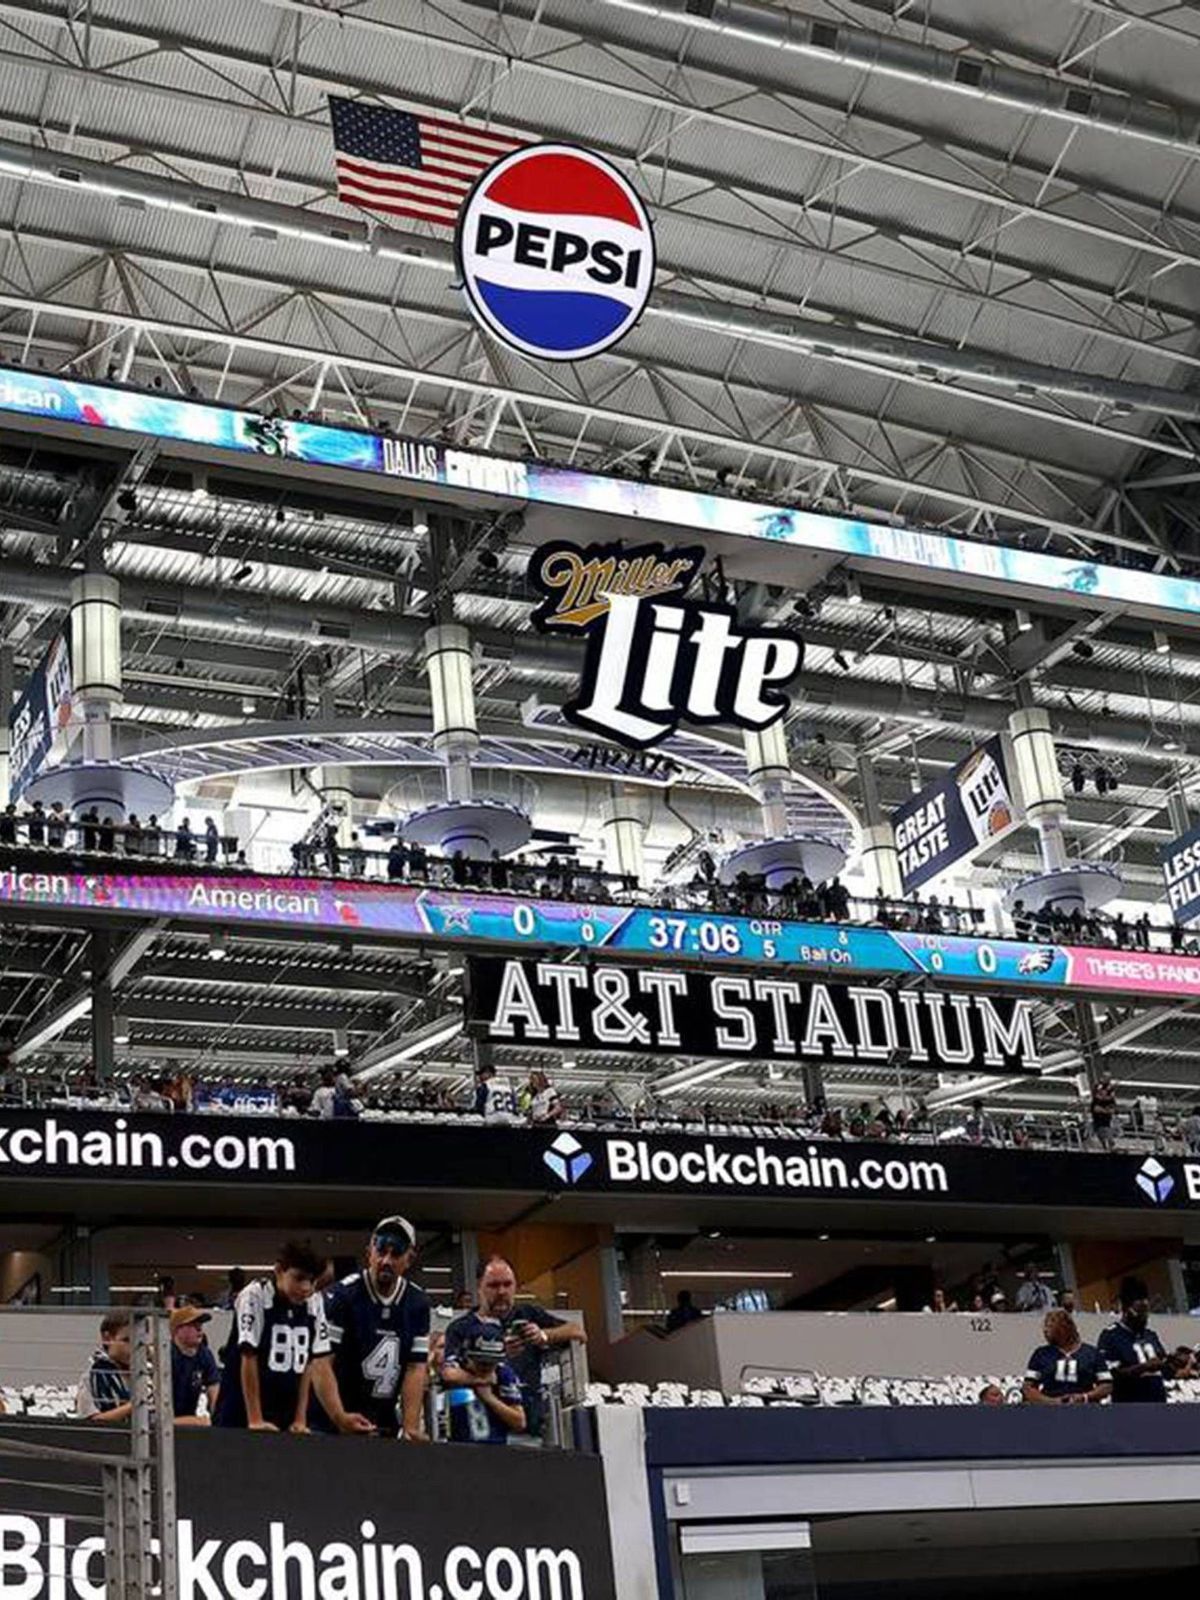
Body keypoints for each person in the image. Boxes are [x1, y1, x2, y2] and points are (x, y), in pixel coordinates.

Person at [309, 1215, 431, 1439]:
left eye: (396, 1254)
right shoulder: (341, 1297)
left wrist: (411, 1426)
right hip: (332, 1422)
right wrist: (339, 1416)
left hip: (382, 1422)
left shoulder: (417, 1303)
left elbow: (415, 1368)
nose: (386, 1261)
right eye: (381, 1251)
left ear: (409, 1259)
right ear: (369, 1253)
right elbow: (321, 1363)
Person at [443, 1255, 585, 1438]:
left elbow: (578, 1331)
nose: (502, 1292)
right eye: (493, 1285)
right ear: (479, 1287)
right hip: (481, 1428)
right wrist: (495, 1360)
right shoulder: (461, 1328)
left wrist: (543, 1335)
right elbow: (448, 1373)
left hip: (531, 1426)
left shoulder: (528, 1314)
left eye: (507, 1284)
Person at [212, 1240, 330, 1431]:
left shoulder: (314, 1302)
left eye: (312, 1281)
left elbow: (308, 1363)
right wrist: (255, 1419)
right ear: (279, 1271)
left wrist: (300, 1419)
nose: (306, 1287)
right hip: (239, 1415)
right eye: (298, 1278)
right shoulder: (255, 1295)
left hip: (284, 1415)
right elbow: (249, 1356)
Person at [444, 1319, 525, 1446]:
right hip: (457, 1446)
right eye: (481, 1362)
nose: (486, 1367)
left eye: (491, 1362)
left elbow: (519, 1422)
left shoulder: (503, 1373)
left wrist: (489, 1398)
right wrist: (479, 1380)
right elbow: (447, 1375)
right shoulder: (456, 1364)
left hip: (494, 1447)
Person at [1097, 1277, 1173, 1403]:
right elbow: (1111, 1375)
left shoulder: (1150, 1335)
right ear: (1127, 1310)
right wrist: (1143, 1367)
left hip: (1159, 1403)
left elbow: (1166, 1369)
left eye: (1146, 1313)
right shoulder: (1111, 1336)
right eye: (1140, 1313)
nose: (1144, 1318)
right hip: (1130, 1406)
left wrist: (1171, 1363)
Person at [1022, 1310, 1110, 1405]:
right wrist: (1052, 1402)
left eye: (1050, 1326)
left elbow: (1107, 1385)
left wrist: (1085, 1397)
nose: (1045, 1330)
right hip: (1049, 1411)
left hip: (1085, 1411)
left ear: (1065, 1328)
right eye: (1045, 1326)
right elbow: (1028, 1388)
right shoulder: (1041, 1354)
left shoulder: (1092, 1353)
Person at [77, 1310, 133, 1423]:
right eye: (126, 1340)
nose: (133, 1347)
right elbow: (92, 1420)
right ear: (107, 1339)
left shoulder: (145, 1372)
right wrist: (135, 1406)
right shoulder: (93, 1375)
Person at [170, 1306, 221, 1424]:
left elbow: (215, 1390)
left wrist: (219, 1417)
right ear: (177, 1330)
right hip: (164, 1419)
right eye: (193, 1325)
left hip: (188, 1417)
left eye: (200, 1324)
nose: (199, 1329)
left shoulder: (204, 1354)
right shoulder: (168, 1355)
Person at [1091, 1077, 1117, 1150]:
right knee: (1101, 1134)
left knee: (1107, 1132)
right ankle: (1105, 1145)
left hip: (1107, 1123)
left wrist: (1106, 1110)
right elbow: (1096, 1109)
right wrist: (1105, 1110)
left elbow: (1112, 1110)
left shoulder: (1110, 1100)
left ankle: (1109, 1144)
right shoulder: (1096, 1100)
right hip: (1098, 1123)